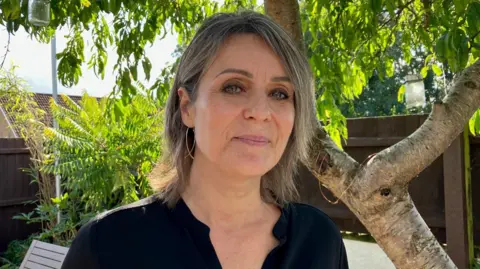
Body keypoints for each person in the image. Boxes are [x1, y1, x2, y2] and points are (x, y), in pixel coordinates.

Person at [61, 11, 349, 269]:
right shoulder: (108, 245)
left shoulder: (319, 242)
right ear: (187, 107)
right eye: (234, 87)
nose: (260, 112)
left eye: (280, 93)